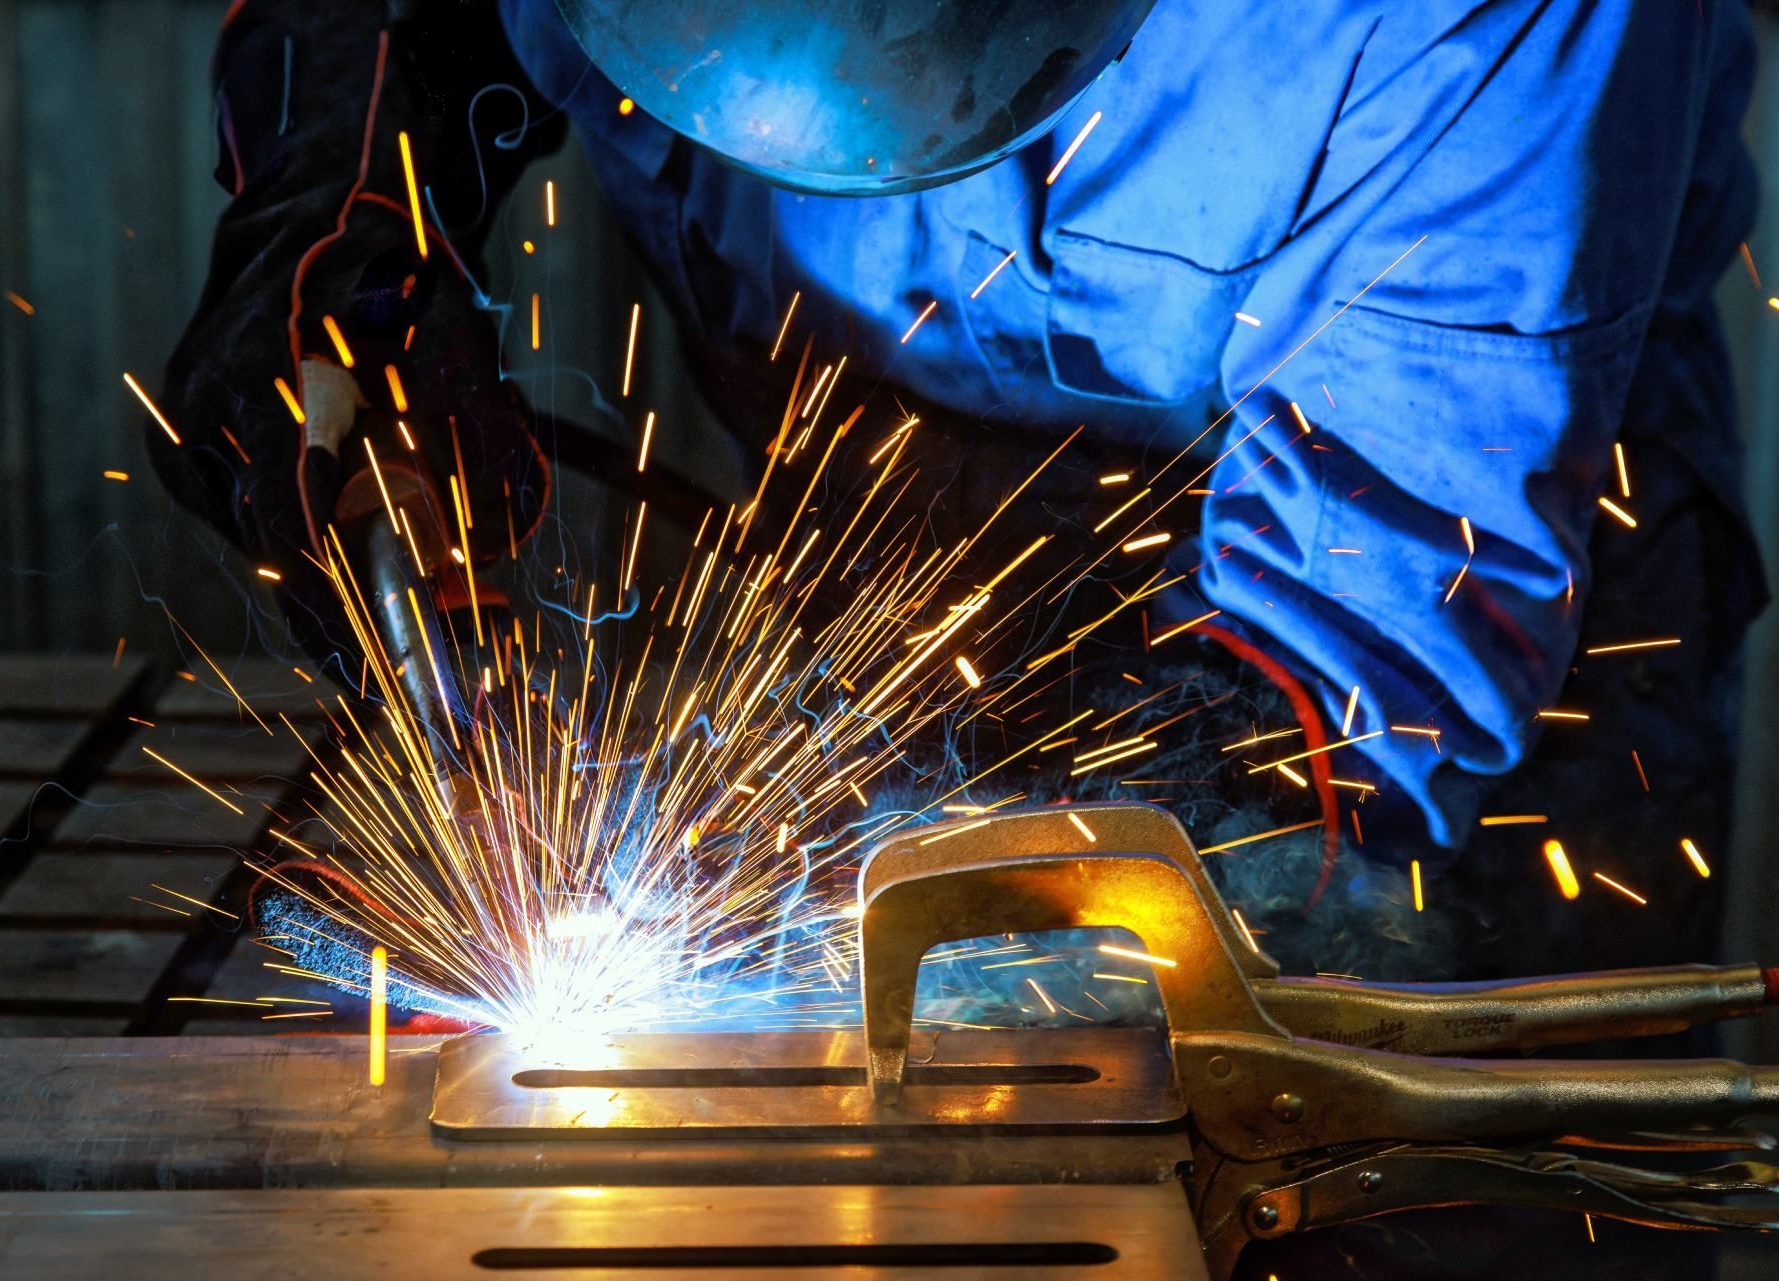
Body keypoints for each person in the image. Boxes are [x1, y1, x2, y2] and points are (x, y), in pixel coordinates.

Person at [154, 5, 1765, 1273]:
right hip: (870, 505)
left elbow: (1337, 684)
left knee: (1410, 1188)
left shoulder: (1485, 20)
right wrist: (351, 183)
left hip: (1439, 552)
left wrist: (871, 871)